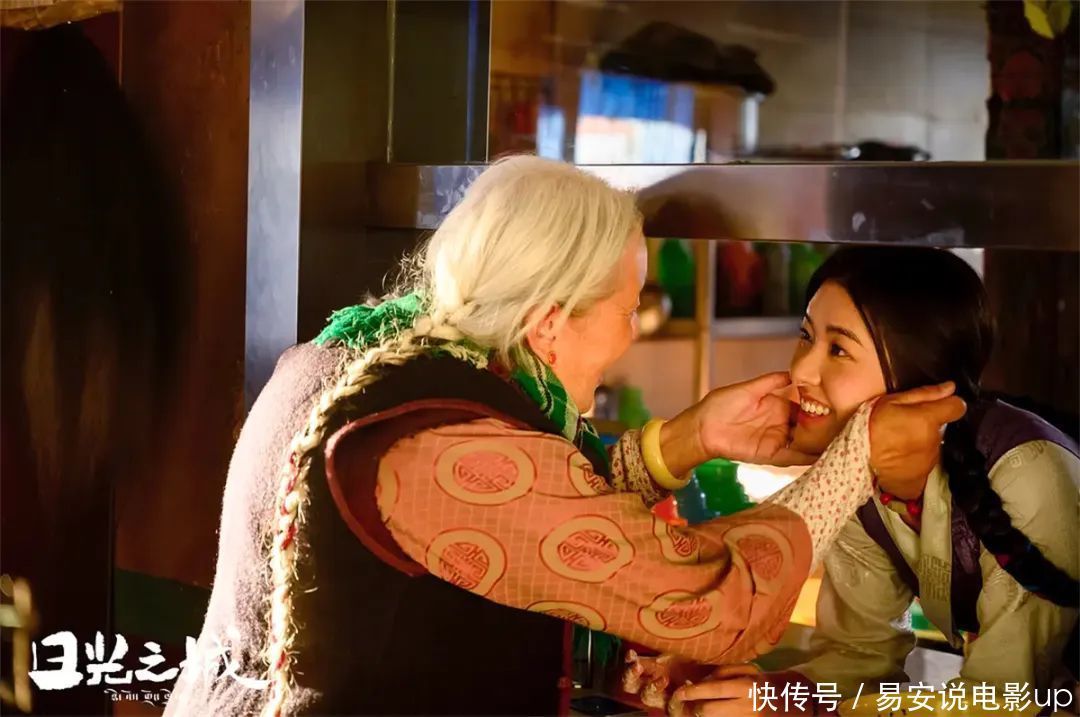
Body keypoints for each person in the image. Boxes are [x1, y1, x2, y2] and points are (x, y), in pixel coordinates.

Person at [164, 158, 962, 717]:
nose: (633, 332)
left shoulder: (346, 358)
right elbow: (711, 603)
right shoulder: (444, 448)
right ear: (549, 322)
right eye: (628, 307)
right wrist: (852, 462)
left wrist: (689, 438)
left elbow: (539, 512)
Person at [636, 247, 1078, 716]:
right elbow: (861, 656)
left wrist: (791, 710)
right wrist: (773, 691)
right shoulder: (855, 474)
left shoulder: (1026, 472)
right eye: (806, 336)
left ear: (918, 380)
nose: (801, 371)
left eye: (838, 350)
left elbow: (1007, 700)